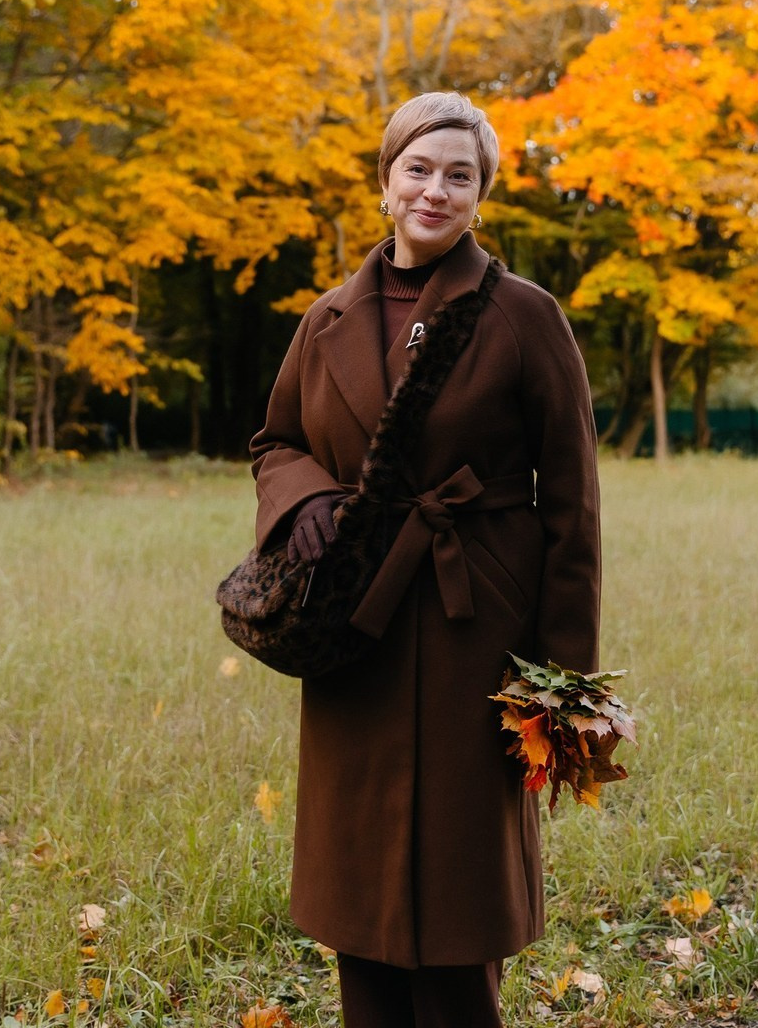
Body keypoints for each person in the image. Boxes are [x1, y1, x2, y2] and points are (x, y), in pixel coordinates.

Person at [249, 91, 600, 1027]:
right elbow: (274, 442)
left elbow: (572, 506)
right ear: (386, 184)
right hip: (353, 625)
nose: (436, 190)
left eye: (460, 175)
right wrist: (310, 501)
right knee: (357, 896)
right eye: (419, 169)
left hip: (474, 631)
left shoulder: (527, 317)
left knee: (458, 894)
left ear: (481, 196)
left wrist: (559, 685)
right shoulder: (326, 319)